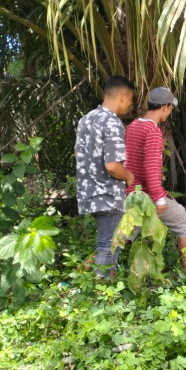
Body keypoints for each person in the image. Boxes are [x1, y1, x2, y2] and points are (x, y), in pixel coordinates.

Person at [125, 87, 186, 274]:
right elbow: (151, 168)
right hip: (147, 196)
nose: (171, 111)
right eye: (170, 107)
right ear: (164, 107)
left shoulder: (133, 126)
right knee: (183, 223)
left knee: (122, 236)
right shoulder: (153, 131)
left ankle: (96, 270)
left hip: (131, 194)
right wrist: (159, 198)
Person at [75, 75, 136, 278]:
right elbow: (112, 166)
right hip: (108, 195)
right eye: (130, 101)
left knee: (106, 243)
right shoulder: (112, 122)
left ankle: (98, 287)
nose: (129, 105)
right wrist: (128, 176)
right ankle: (103, 292)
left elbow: (78, 154)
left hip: (88, 192)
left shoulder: (86, 120)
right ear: (123, 97)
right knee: (109, 246)